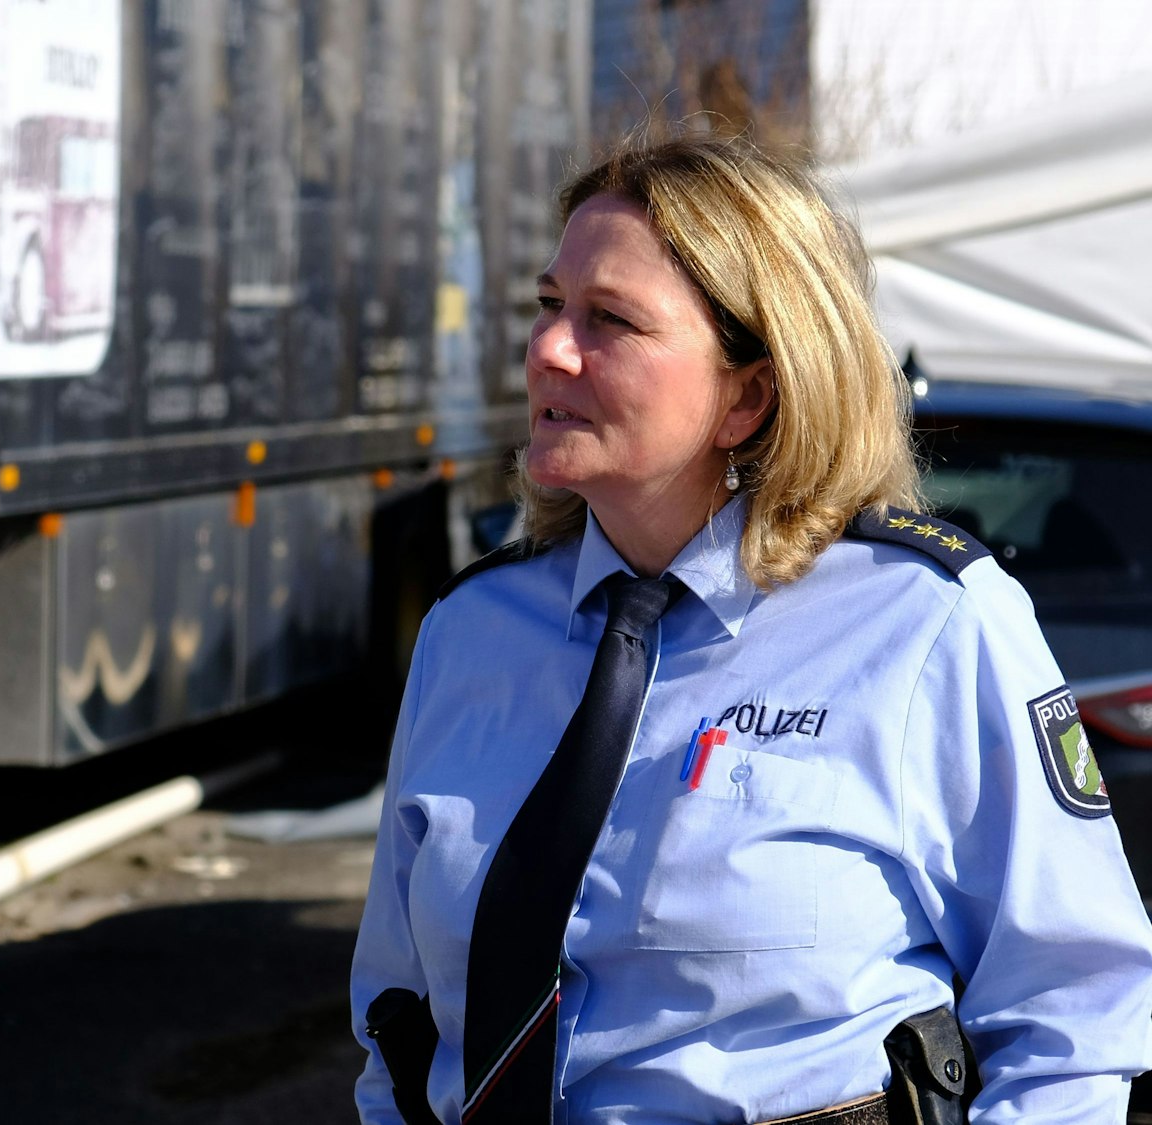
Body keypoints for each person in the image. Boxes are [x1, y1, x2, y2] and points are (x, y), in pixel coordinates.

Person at [350, 133, 1152, 1124]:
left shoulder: (924, 622)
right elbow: (393, 1014)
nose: (549, 349)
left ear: (747, 396)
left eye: (610, 320)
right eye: (549, 306)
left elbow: (1070, 1011)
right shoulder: (469, 632)